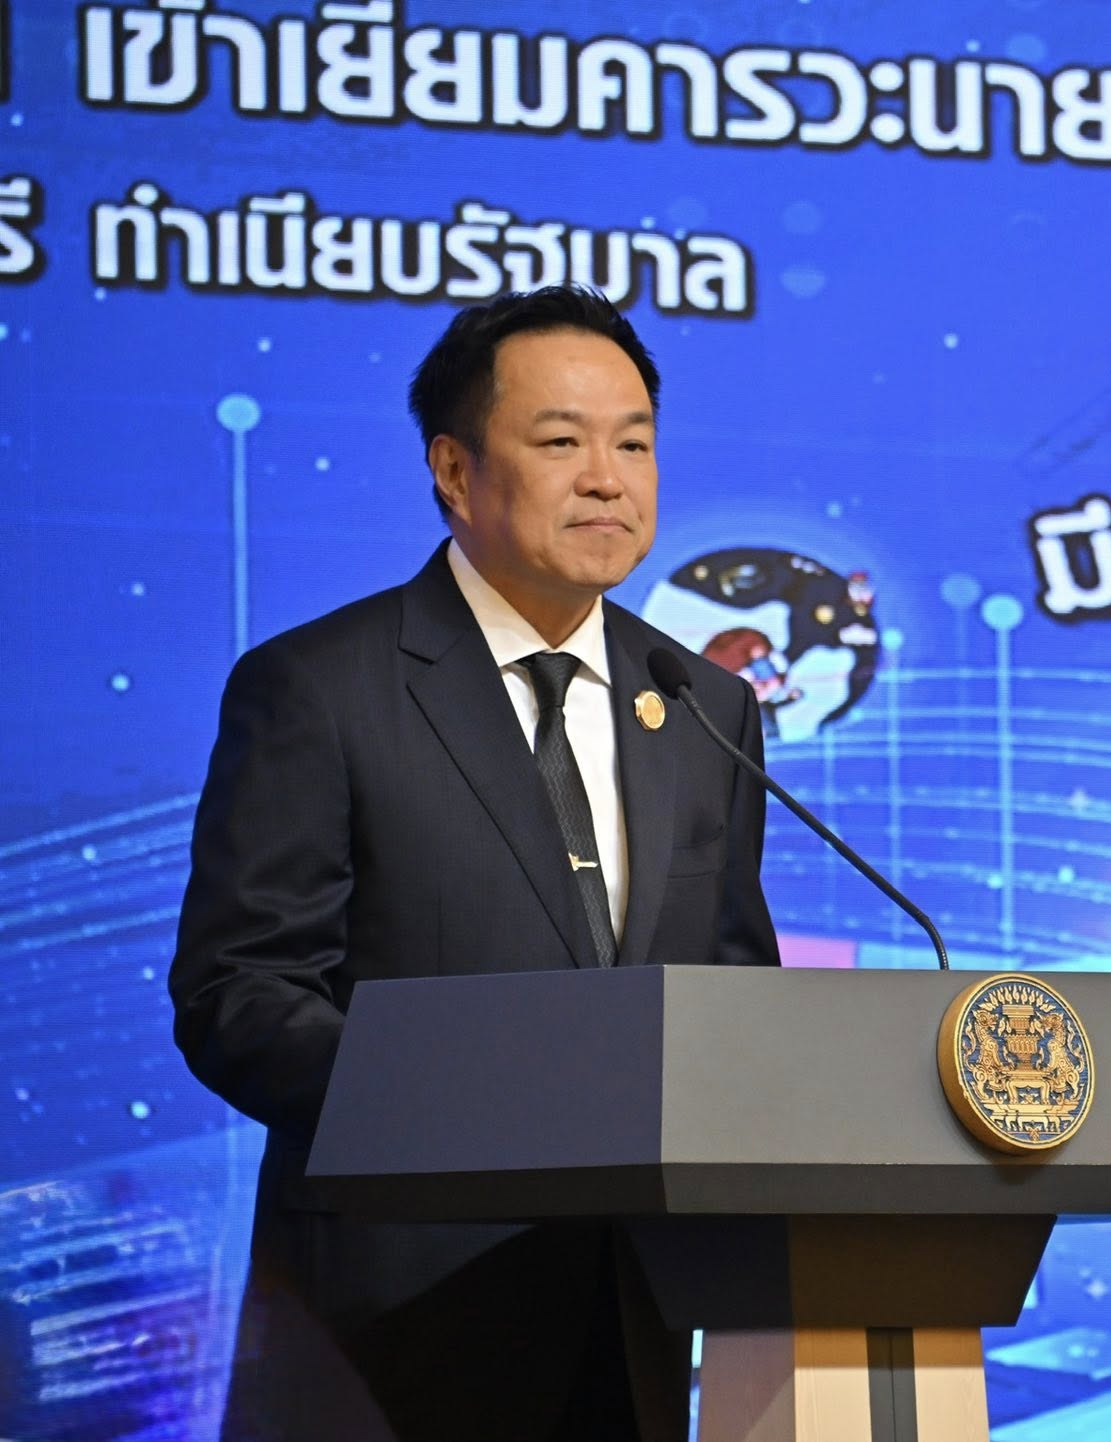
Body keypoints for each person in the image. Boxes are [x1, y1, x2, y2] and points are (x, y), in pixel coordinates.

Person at [168, 285, 779, 1442]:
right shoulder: (320, 687)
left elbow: (734, 991)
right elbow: (238, 996)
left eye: (633, 443)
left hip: (635, 1322)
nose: (607, 479)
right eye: (560, 442)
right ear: (453, 470)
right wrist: (482, 1106)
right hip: (394, 1326)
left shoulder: (703, 705)